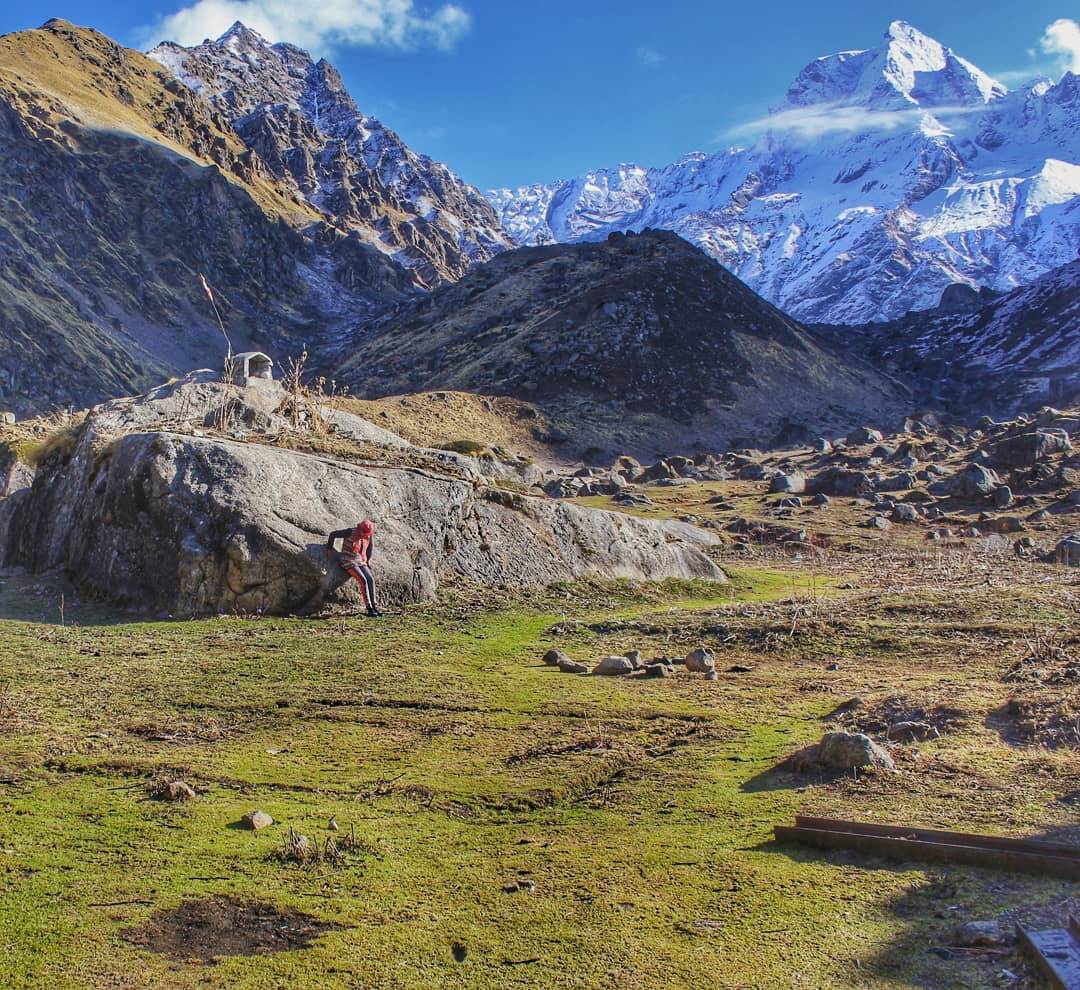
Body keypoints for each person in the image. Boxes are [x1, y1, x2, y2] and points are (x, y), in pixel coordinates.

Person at [326, 519, 382, 617]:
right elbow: (333, 534)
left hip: (360, 560)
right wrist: (329, 548)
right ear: (359, 528)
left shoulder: (369, 535)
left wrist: (368, 560)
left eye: (366, 533)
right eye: (363, 532)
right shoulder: (350, 532)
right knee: (362, 580)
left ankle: (374, 606)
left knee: (370, 579)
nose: (364, 535)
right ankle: (369, 608)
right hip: (348, 559)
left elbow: (369, 548)